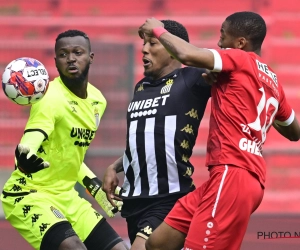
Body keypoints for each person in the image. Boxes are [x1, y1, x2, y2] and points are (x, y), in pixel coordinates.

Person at [138, 12, 300, 250]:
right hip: (245, 178)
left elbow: (185, 54)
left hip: (232, 173)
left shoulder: (238, 58)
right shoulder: (272, 80)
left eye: (223, 36)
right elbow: (294, 132)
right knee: (158, 243)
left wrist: (159, 31)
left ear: (240, 43)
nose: (219, 43)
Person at [1, 30, 128, 250]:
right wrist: (23, 157)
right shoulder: (49, 98)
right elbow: (31, 138)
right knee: (73, 247)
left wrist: (97, 189)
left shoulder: (98, 101)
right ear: (56, 61)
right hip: (30, 194)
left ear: (91, 57)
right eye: (63, 54)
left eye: (77, 52)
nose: (70, 58)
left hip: (67, 196)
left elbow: (72, 156)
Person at [102, 20, 211, 250]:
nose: (144, 49)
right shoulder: (140, 87)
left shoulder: (192, 78)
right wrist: (114, 167)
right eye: (143, 43)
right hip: (134, 202)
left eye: (153, 43)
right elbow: (145, 142)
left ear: (172, 49)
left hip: (169, 196)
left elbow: (222, 65)